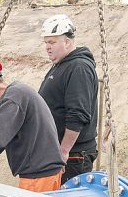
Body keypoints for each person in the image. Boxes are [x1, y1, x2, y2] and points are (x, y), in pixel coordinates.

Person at [0, 55, 64, 192]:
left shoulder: (13, 97)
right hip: (44, 171)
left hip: (39, 176)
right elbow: (1, 137)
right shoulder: (18, 92)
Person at [38, 14, 100, 184]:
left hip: (73, 157)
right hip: (61, 154)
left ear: (67, 42)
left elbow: (77, 114)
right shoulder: (62, 65)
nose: (47, 47)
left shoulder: (78, 68)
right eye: (46, 42)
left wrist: (63, 152)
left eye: (52, 42)